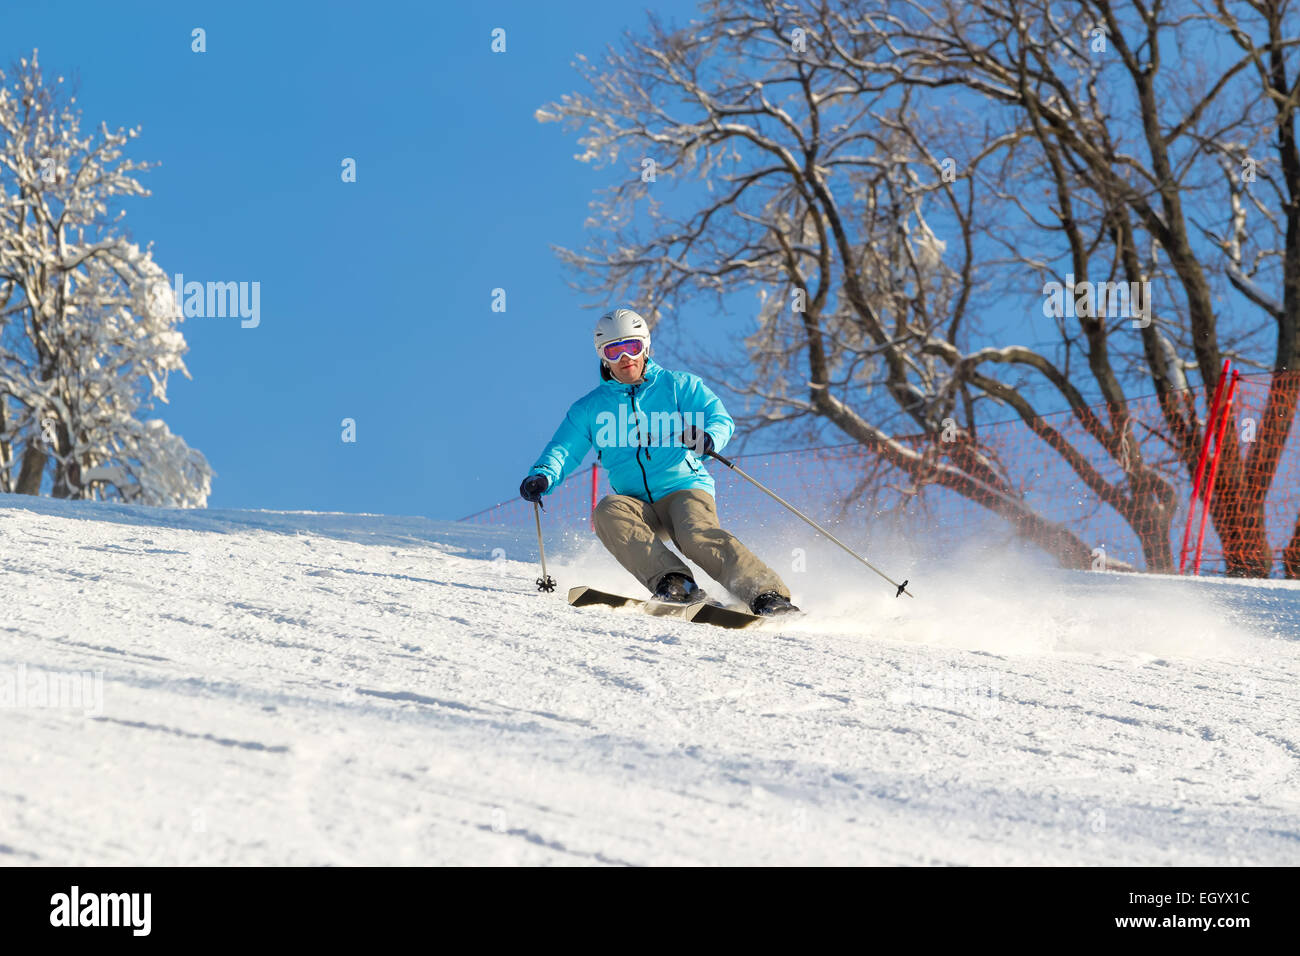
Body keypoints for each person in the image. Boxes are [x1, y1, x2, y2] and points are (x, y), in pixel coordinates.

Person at [519, 307, 798, 616]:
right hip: (636, 502)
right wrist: (543, 474)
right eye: (615, 350)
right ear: (603, 356)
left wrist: (709, 437)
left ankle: (766, 595)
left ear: (646, 347)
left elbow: (719, 417)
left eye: (632, 347)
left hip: (684, 487)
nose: (625, 357)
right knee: (607, 511)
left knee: (696, 535)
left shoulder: (678, 386)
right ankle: (676, 583)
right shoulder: (590, 408)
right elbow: (564, 449)